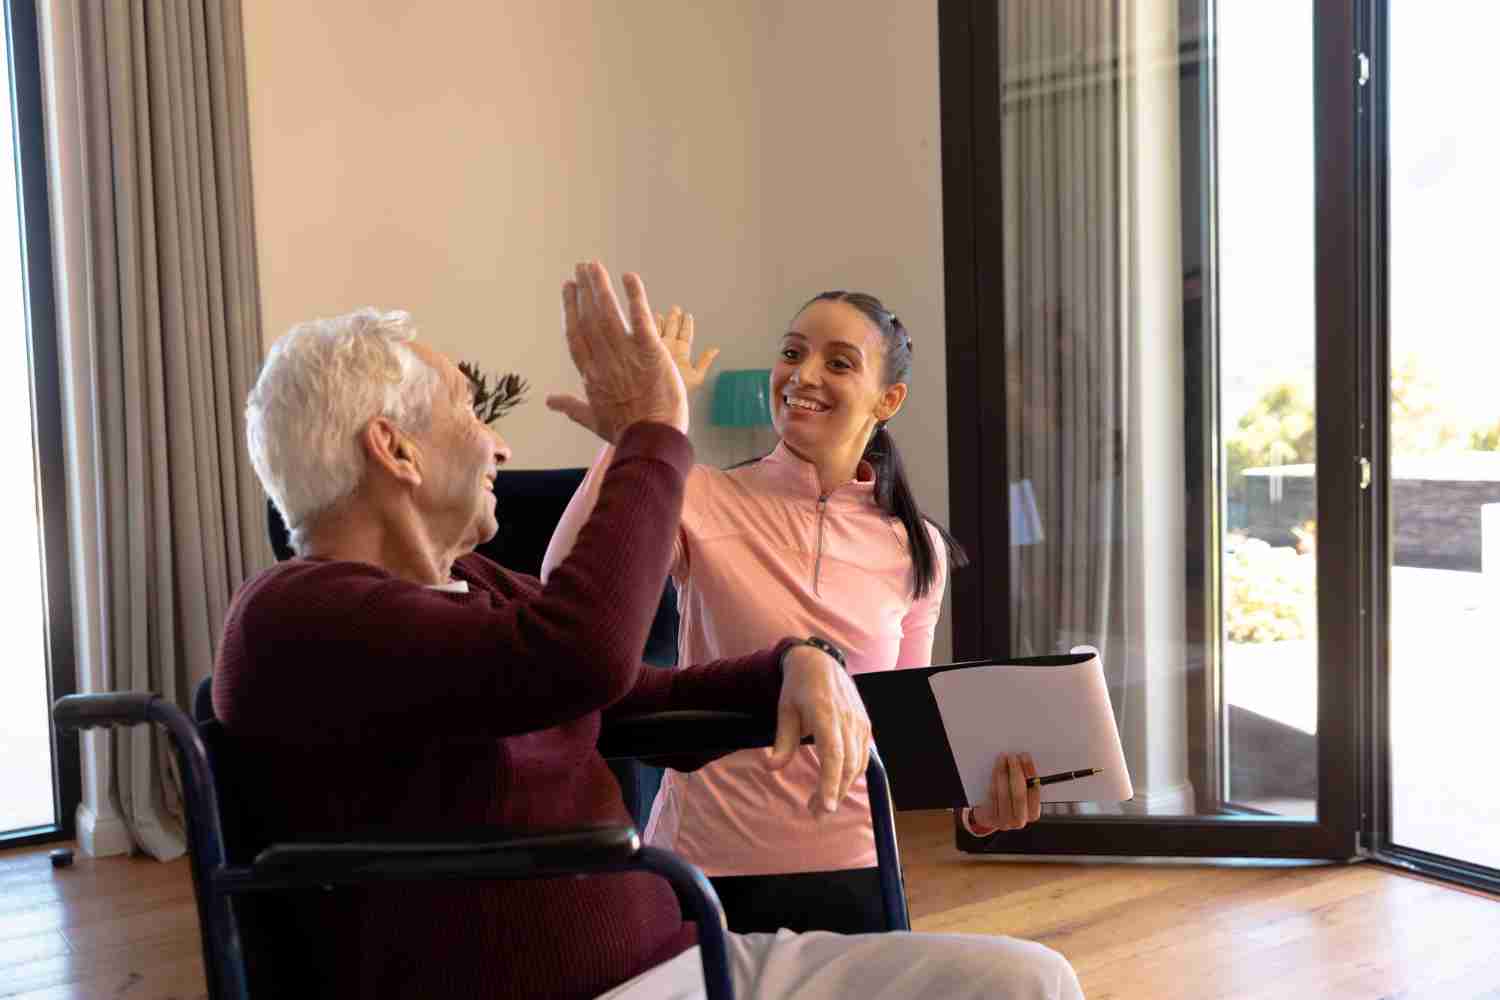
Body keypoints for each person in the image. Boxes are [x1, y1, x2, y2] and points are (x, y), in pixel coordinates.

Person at [216, 261, 1082, 999]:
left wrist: (794, 662)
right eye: (470, 414)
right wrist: (651, 433)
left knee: (1032, 979)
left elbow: (627, 688)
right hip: (613, 965)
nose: (498, 447)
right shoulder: (296, 616)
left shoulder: (470, 588)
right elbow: (579, 653)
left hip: (683, 950)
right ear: (395, 450)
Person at [543, 291, 1041, 935]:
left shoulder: (918, 547)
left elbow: (900, 732)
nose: (803, 375)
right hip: (702, 865)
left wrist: (981, 814)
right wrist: (643, 434)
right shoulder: (699, 493)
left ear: (888, 400)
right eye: (792, 352)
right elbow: (569, 583)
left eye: (839, 362)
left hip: (859, 867)